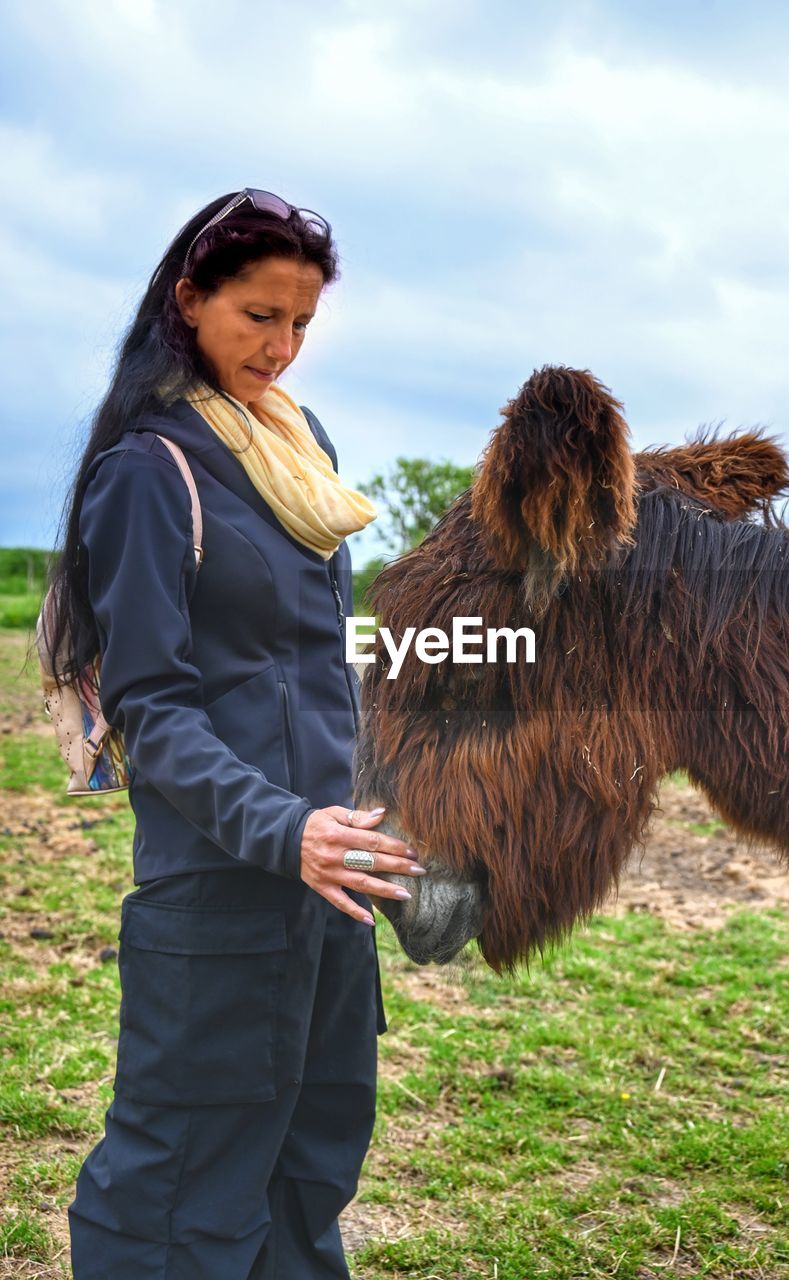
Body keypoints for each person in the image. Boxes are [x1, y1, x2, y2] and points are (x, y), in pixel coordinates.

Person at [45, 188, 425, 1278]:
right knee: (177, 1195)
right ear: (188, 299)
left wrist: (382, 814)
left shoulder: (301, 453)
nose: (282, 346)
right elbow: (153, 711)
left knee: (309, 1171)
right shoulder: (148, 472)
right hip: (220, 891)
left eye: (301, 322)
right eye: (259, 315)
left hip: (329, 887)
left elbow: (321, 670)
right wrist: (285, 829)